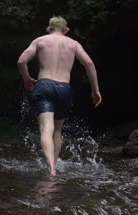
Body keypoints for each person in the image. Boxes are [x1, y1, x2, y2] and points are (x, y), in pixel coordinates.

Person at [17, 16, 102, 176]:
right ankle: (54, 166)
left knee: (45, 129)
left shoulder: (40, 41)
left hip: (44, 86)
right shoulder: (73, 44)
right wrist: (95, 90)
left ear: (50, 28)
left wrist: (27, 80)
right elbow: (89, 64)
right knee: (57, 130)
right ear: (65, 29)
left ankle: (51, 170)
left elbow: (21, 61)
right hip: (64, 88)